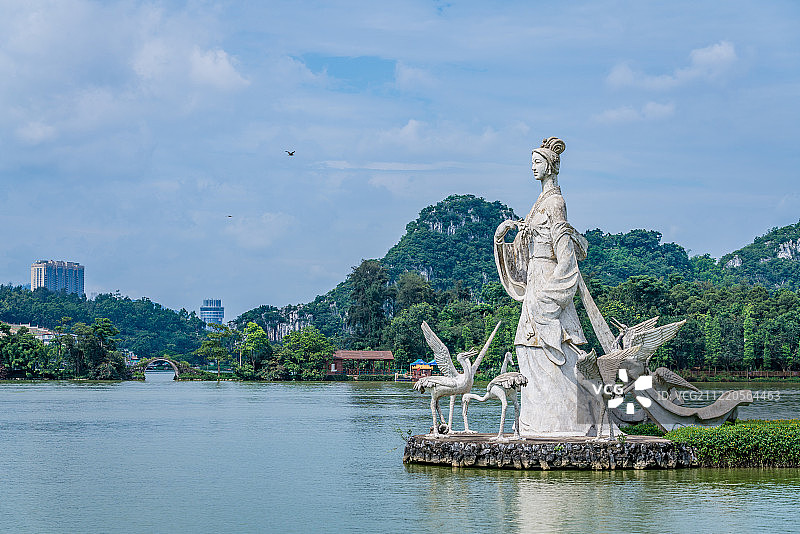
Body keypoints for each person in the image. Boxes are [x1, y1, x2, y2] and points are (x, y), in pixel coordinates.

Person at [494, 137, 595, 435]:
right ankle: (537, 421)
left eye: (537, 163)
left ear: (550, 166)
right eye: (532, 163)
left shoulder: (555, 203)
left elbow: (565, 256)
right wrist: (501, 240)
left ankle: (564, 422)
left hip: (548, 282)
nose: (533, 168)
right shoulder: (537, 205)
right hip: (535, 278)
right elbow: (524, 252)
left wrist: (552, 297)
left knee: (544, 346)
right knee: (526, 347)